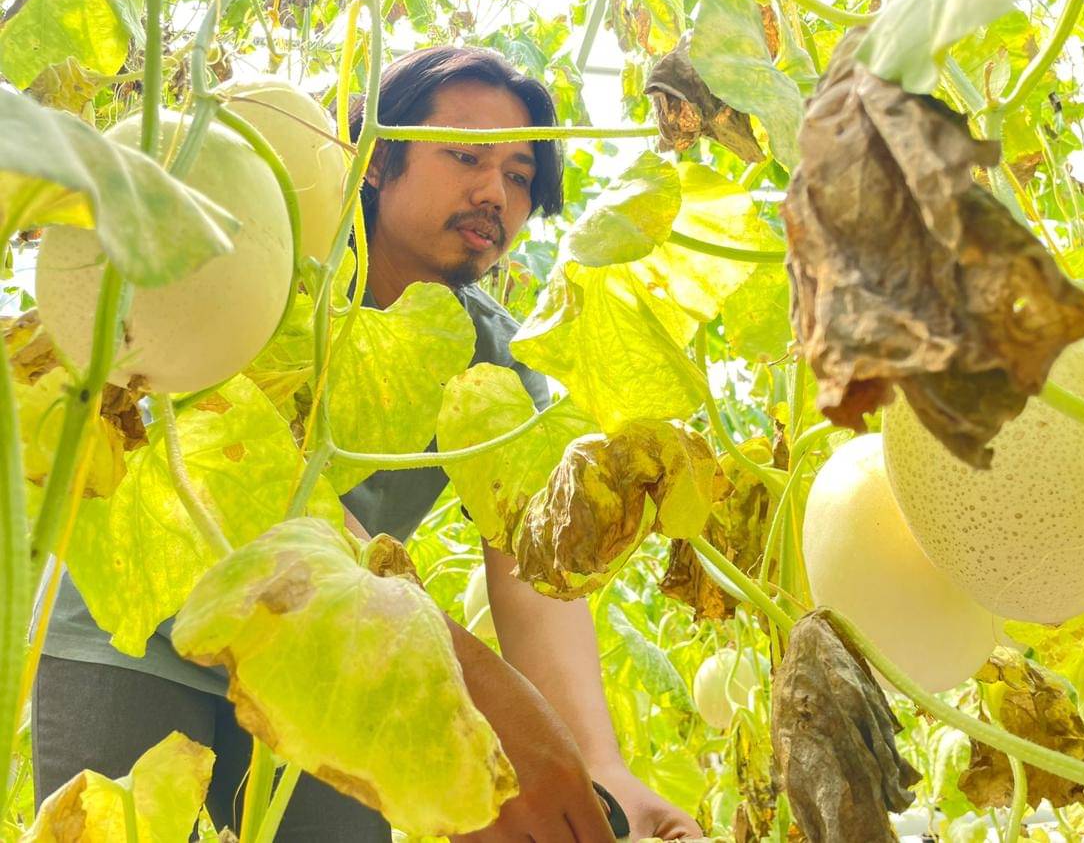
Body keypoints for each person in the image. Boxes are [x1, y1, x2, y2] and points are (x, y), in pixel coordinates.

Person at [32, 46, 704, 842]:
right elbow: (264, 495)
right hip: (137, 635)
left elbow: (531, 569)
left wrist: (601, 764)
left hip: (325, 672)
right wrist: (487, 701)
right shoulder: (278, 267)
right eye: (465, 156)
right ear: (378, 161)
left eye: (520, 177)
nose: (494, 190)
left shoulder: (496, 357)